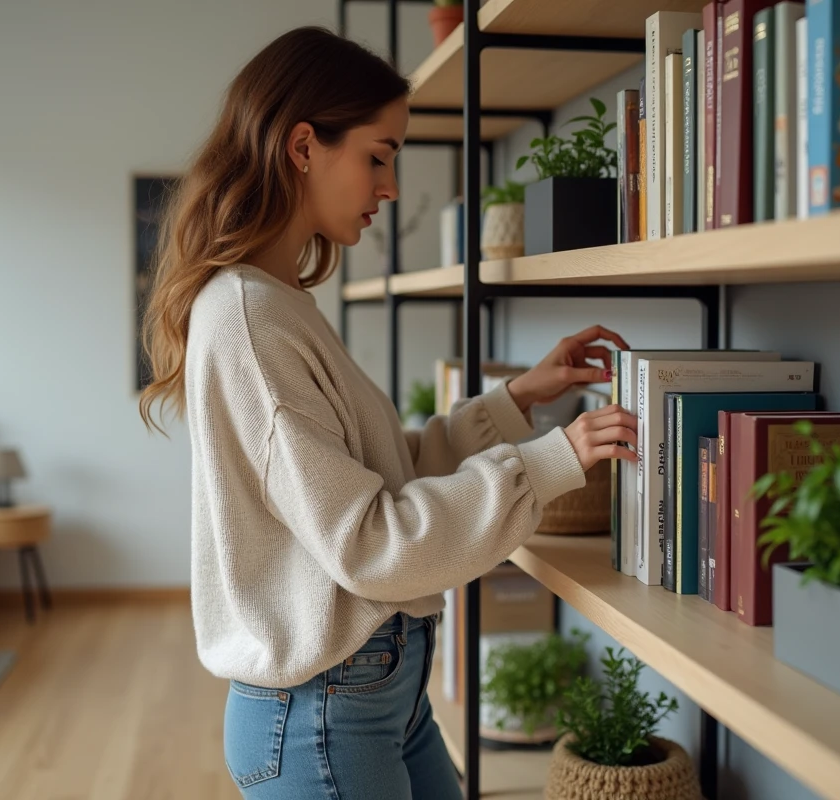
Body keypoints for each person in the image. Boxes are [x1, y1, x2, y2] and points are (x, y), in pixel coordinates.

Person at [138, 25, 639, 800]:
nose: (391, 187)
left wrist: (514, 403)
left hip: (372, 699)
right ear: (303, 146)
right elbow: (372, 542)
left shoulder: (274, 303)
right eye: (379, 156)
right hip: (323, 714)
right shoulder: (248, 317)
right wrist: (549, 461)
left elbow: (371, 478)